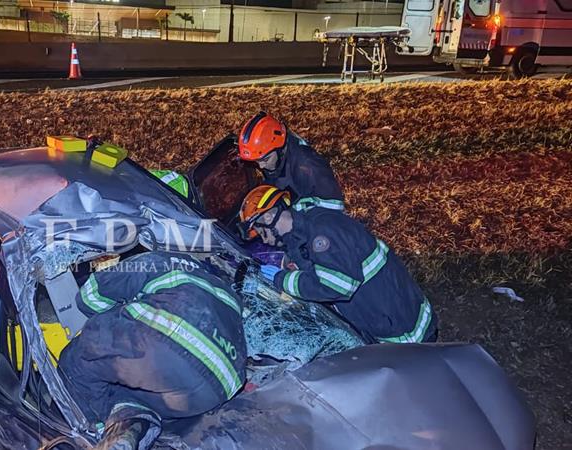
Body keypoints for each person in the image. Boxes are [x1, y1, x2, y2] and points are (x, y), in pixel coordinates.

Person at [58, 252, 247, 449]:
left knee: (78, 361)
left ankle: (90, 433)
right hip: (217, 389)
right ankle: (131, 422)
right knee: (125, 390)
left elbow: (89, 297)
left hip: (167, 345)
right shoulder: (226, 292)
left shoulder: (162, 260)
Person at [239, 185, 437, 344]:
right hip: (386, 318)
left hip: (406, 334)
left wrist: (282, 279)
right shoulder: (303, 231)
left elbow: (336, 286)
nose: (262, 239)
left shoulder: (322, 233)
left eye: (259, 231)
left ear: (267, 217)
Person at [238, 111, 345, 211]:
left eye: (265, 159)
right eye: (257, 161)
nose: (261, 166)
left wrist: (293, 210)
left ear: (279, 148)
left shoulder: (308, 165)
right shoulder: (277, 156)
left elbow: (335, 205)